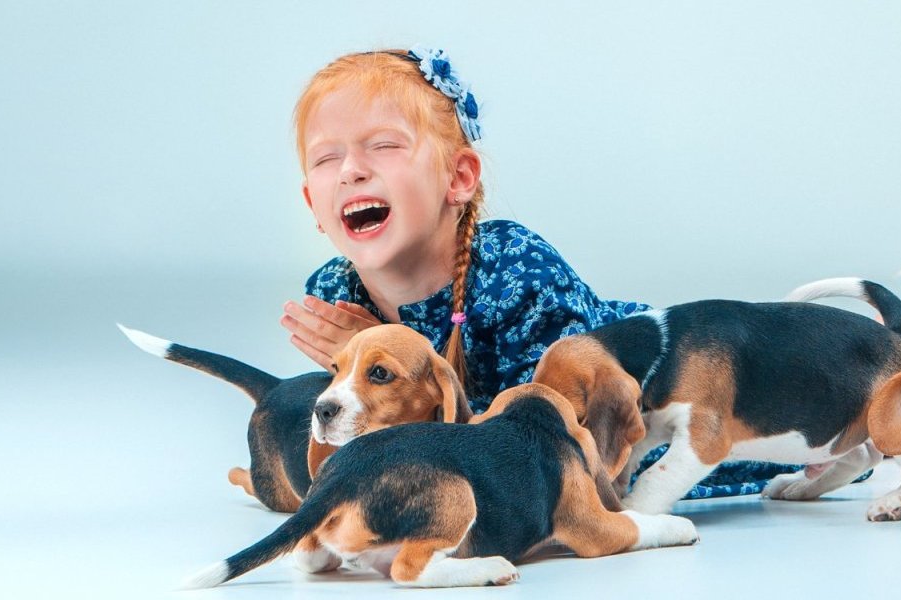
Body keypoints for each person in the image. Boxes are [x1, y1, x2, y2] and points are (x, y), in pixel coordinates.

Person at [277, 46, 799, 499]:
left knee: (792, 404)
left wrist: (396, 354)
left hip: (657, 408)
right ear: (311, 205)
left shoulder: (518, 271)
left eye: (383, 146)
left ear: (457, 177)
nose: (350, 170)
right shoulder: (332, 293)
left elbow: (542, 442)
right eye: (326, 159)